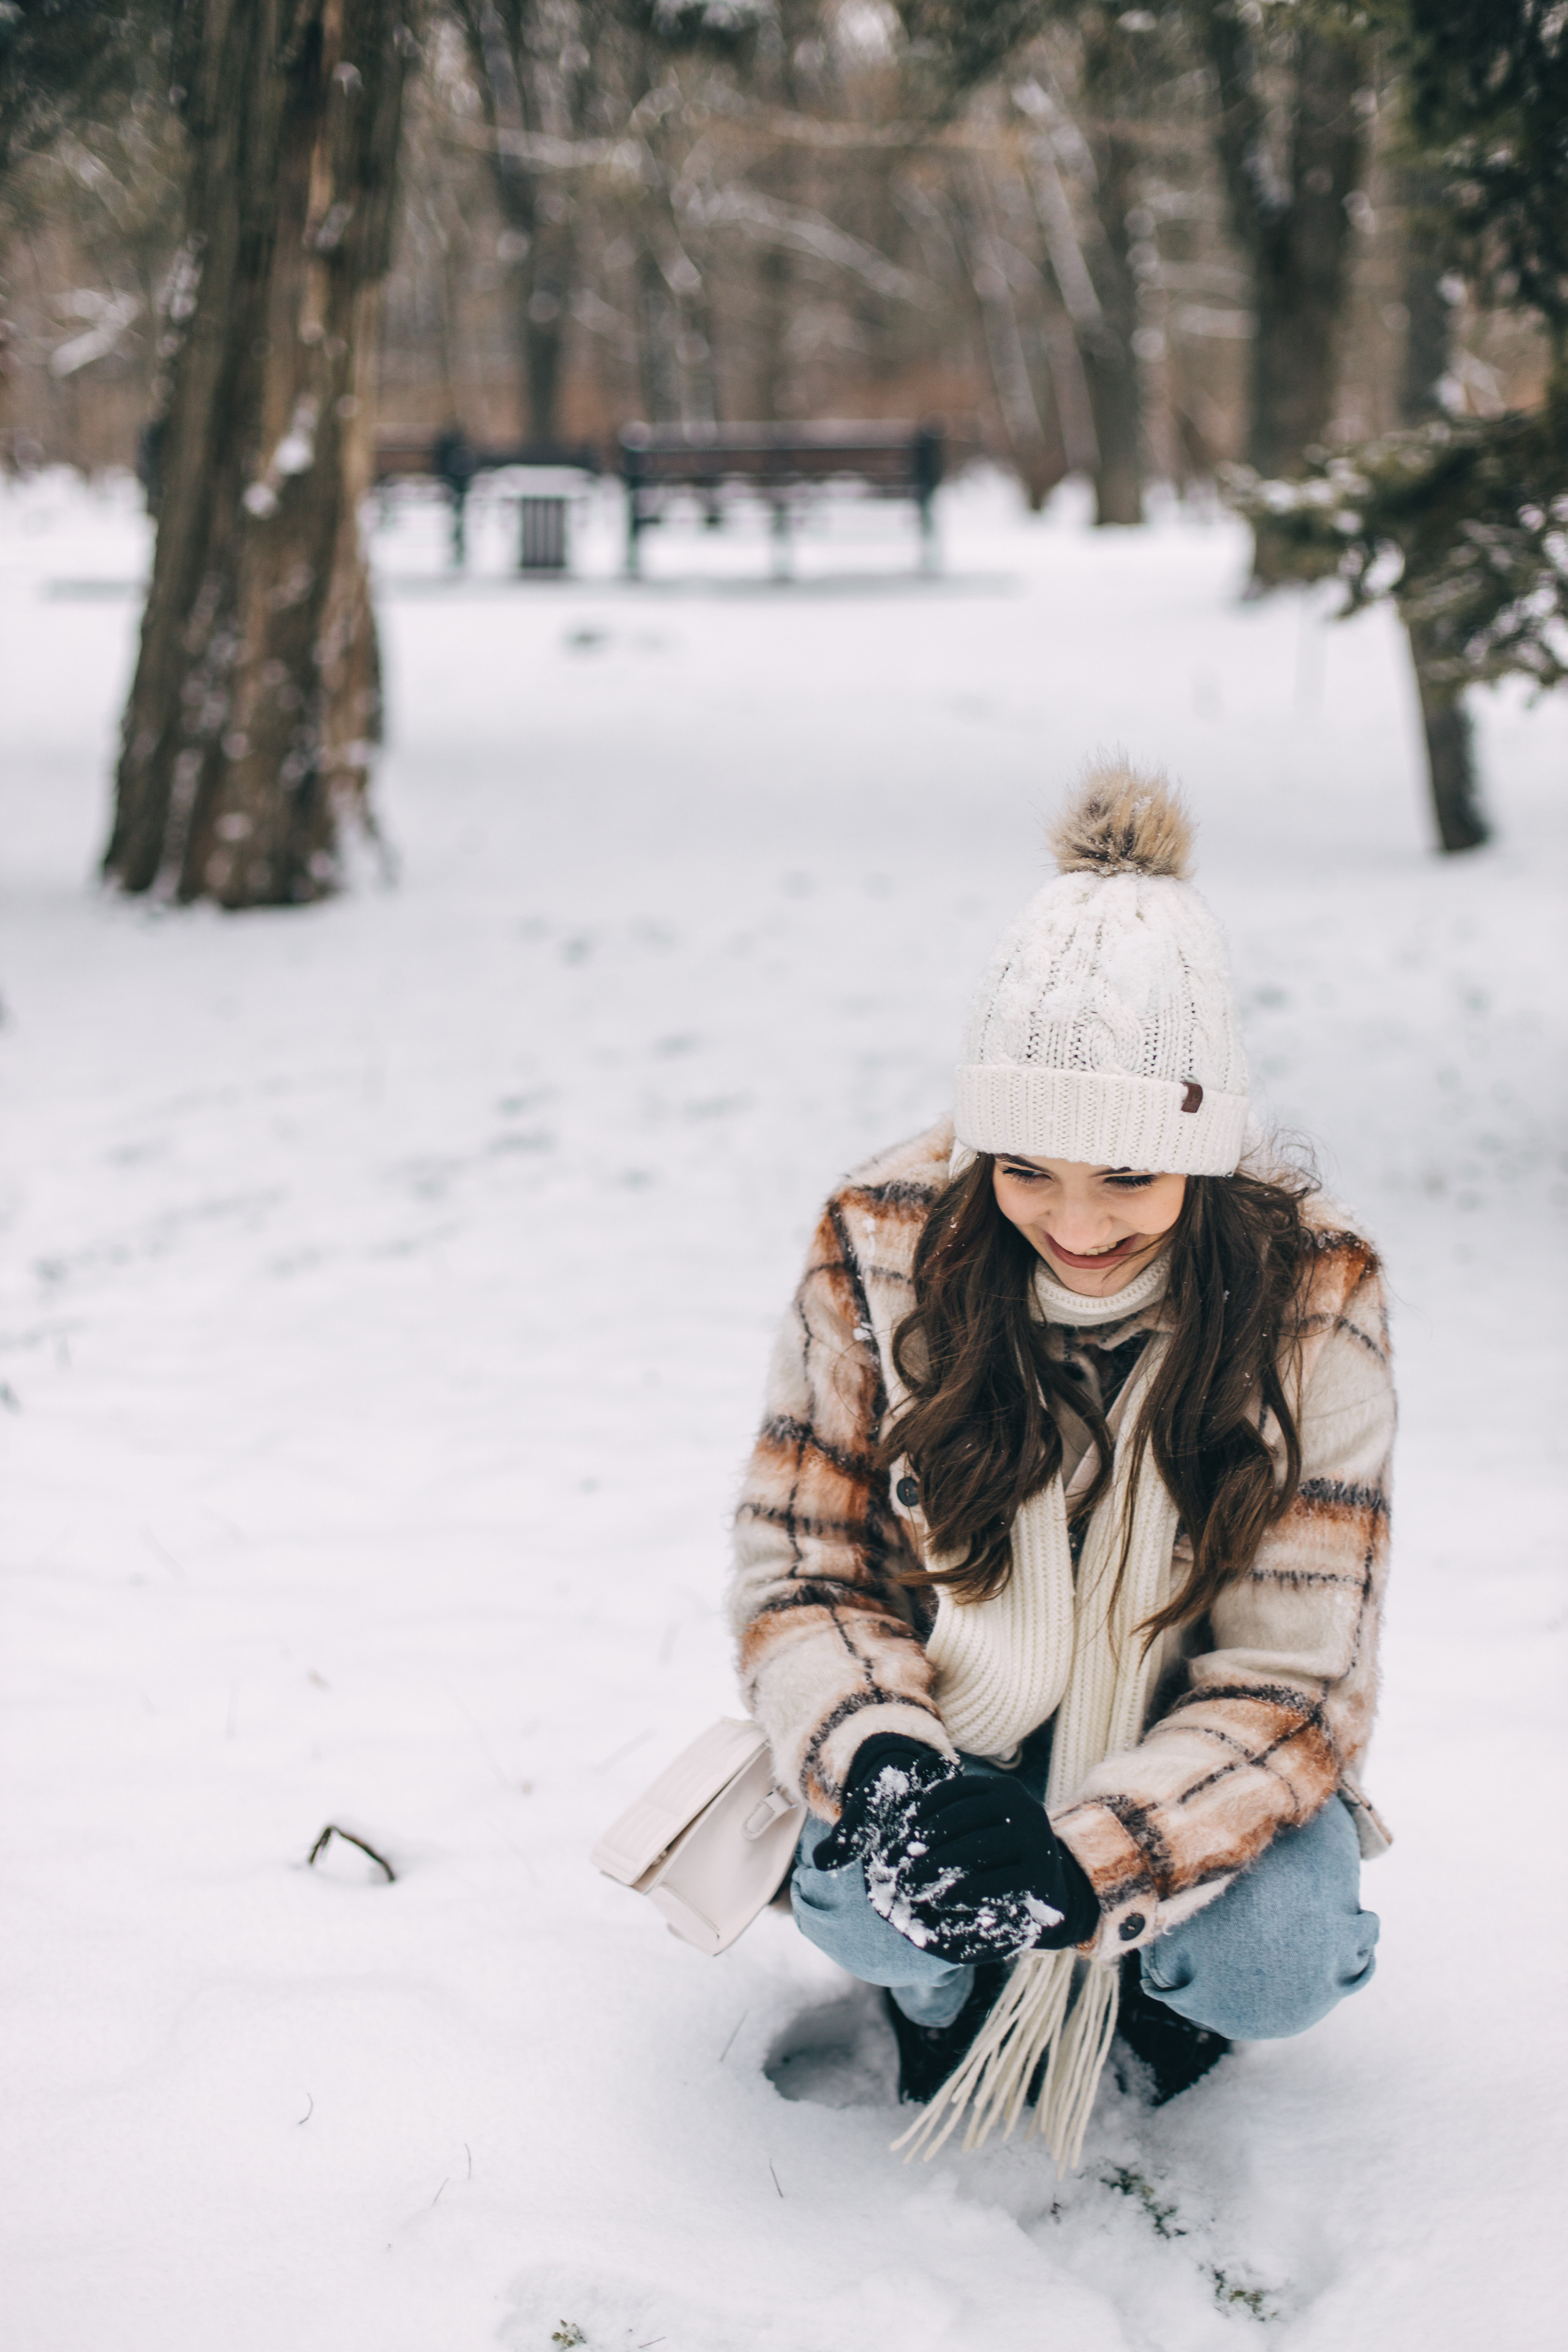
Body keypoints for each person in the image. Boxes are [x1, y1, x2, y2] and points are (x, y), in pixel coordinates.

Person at [728, 763, 1392, 2152]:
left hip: (1175, 1748)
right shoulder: (883, 1241)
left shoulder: (1308, 1293)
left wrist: (1092, 1857)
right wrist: (891, 1768)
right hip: (950, 1724)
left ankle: (1160, 1996)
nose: (1073, 1226)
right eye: (1024, 1169)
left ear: (1200, 1160)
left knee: (1277, 1956)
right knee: (859, 1884)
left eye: (1129, 1179)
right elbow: (804, 1568)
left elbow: (1294, 1675)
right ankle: (938, 1987)